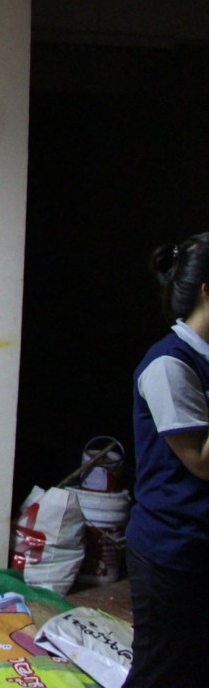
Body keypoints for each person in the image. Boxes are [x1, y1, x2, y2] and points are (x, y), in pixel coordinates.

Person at [122, 233, 209, 688]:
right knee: (161, 673)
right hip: (172, 550)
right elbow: (202, 462)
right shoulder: (169, 365)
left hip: (200, 547)